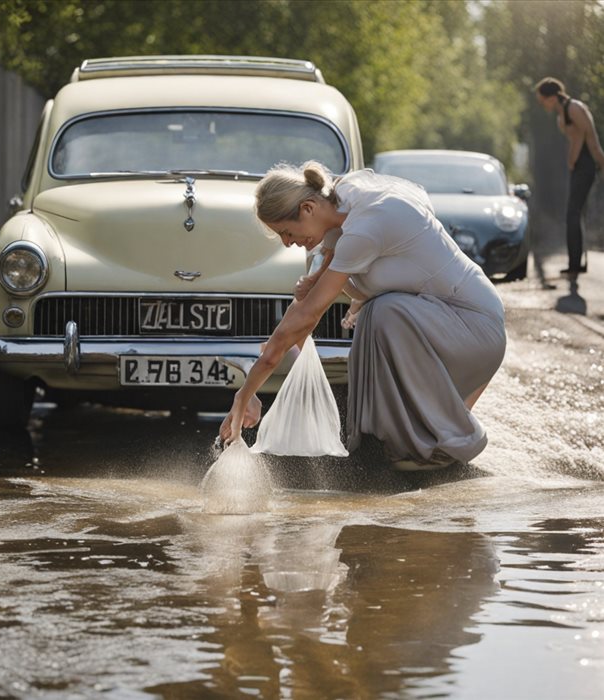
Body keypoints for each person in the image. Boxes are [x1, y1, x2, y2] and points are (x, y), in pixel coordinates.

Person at [218, 162, 507, 470]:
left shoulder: (366, 223)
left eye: (287, 232)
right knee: (378, 313)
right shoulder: (339, 212)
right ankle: (397, 445)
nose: (288, 243)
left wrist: (244, 395)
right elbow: (302, 312)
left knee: (385, 313)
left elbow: (307, 317)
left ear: (308, 208)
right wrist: (315, 284)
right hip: (443, 322)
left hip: (474, 326)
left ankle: (445, 442)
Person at [535, 77, 604, 279]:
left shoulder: (573, 108)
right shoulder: (562, 115)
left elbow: (587, 141)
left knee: (572, 213)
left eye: (543, 100)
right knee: (575, 213)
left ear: (553, 97)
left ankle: (575, 264)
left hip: (586, 164)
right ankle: (576, 262)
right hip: (579, 166)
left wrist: (574, 162)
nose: (542, 104)